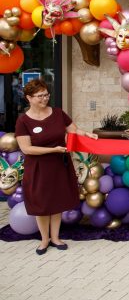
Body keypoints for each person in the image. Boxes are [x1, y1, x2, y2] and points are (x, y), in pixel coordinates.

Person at [14, 79, 98, 255]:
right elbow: (26, 148)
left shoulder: (58, 113)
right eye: (40, 96)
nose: (45, 99)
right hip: (38, 168)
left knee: (57, 202)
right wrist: (52, 150)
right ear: (28, 98)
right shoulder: (23, 121)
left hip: (60, 165)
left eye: (46, 94)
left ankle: (56, 238)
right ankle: (44, 240)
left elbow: (73, 130)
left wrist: (87, 134)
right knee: (42, 205)